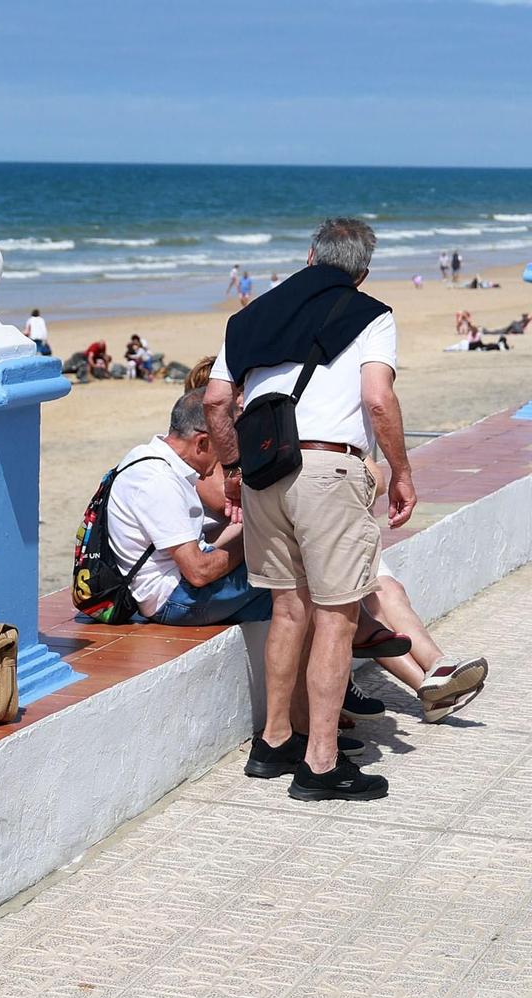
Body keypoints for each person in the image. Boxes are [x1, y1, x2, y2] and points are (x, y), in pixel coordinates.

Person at [204, 217, 417, 801]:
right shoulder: (371, 313)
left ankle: (274, 744)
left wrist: (232, 469)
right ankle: (321, 764)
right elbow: (378, 398)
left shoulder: (247, 316)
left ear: (308, 257)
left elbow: (217, 400)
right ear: (362, 272)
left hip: (267, 474)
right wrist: (400, 471)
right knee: (336, 616)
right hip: (329, 470)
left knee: (287, 609)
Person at [105, 391, 270, 626]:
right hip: (174, 600)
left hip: (172, 589)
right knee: (291, 579)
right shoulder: (159, 480)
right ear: (201, 442)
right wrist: (256, 540)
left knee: (283, 600)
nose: (228, 457)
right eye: (225, 446)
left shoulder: (148, 458)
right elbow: (198, 572)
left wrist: (255, 528)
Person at [356, 458, 489, 722]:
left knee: (392, 590)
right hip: (321, 534)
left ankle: (438, 665)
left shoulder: (336, 428)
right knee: (370, 611)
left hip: (354, 532)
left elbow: (378, 481)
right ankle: (431, 690)